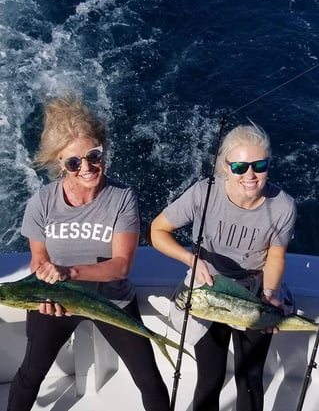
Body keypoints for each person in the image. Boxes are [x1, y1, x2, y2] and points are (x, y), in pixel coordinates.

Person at [7, 96, 170, 411]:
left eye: (94, 155)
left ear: (103, 150)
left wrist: (68, 272)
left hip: (111, 301)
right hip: (56, 301)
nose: (87, 167)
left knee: (149, 380)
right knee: (30, 374)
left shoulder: (122, 198)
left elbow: (121, 266)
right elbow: (38, 260)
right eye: (74, 162)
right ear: (60, 164)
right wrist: (46, 289)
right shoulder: (41, 202)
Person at [149, 124, 297, 411]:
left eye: (259, 165)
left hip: (253, 292)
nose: (250, 175)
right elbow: (157, 231)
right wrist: (191, 259)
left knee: (250, 377)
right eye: (240, 166)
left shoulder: (284, 206)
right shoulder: (203, 193)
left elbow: (276, 257)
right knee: (210, 376)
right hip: (207, 292)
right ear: (225, 167)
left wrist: (269, 292)